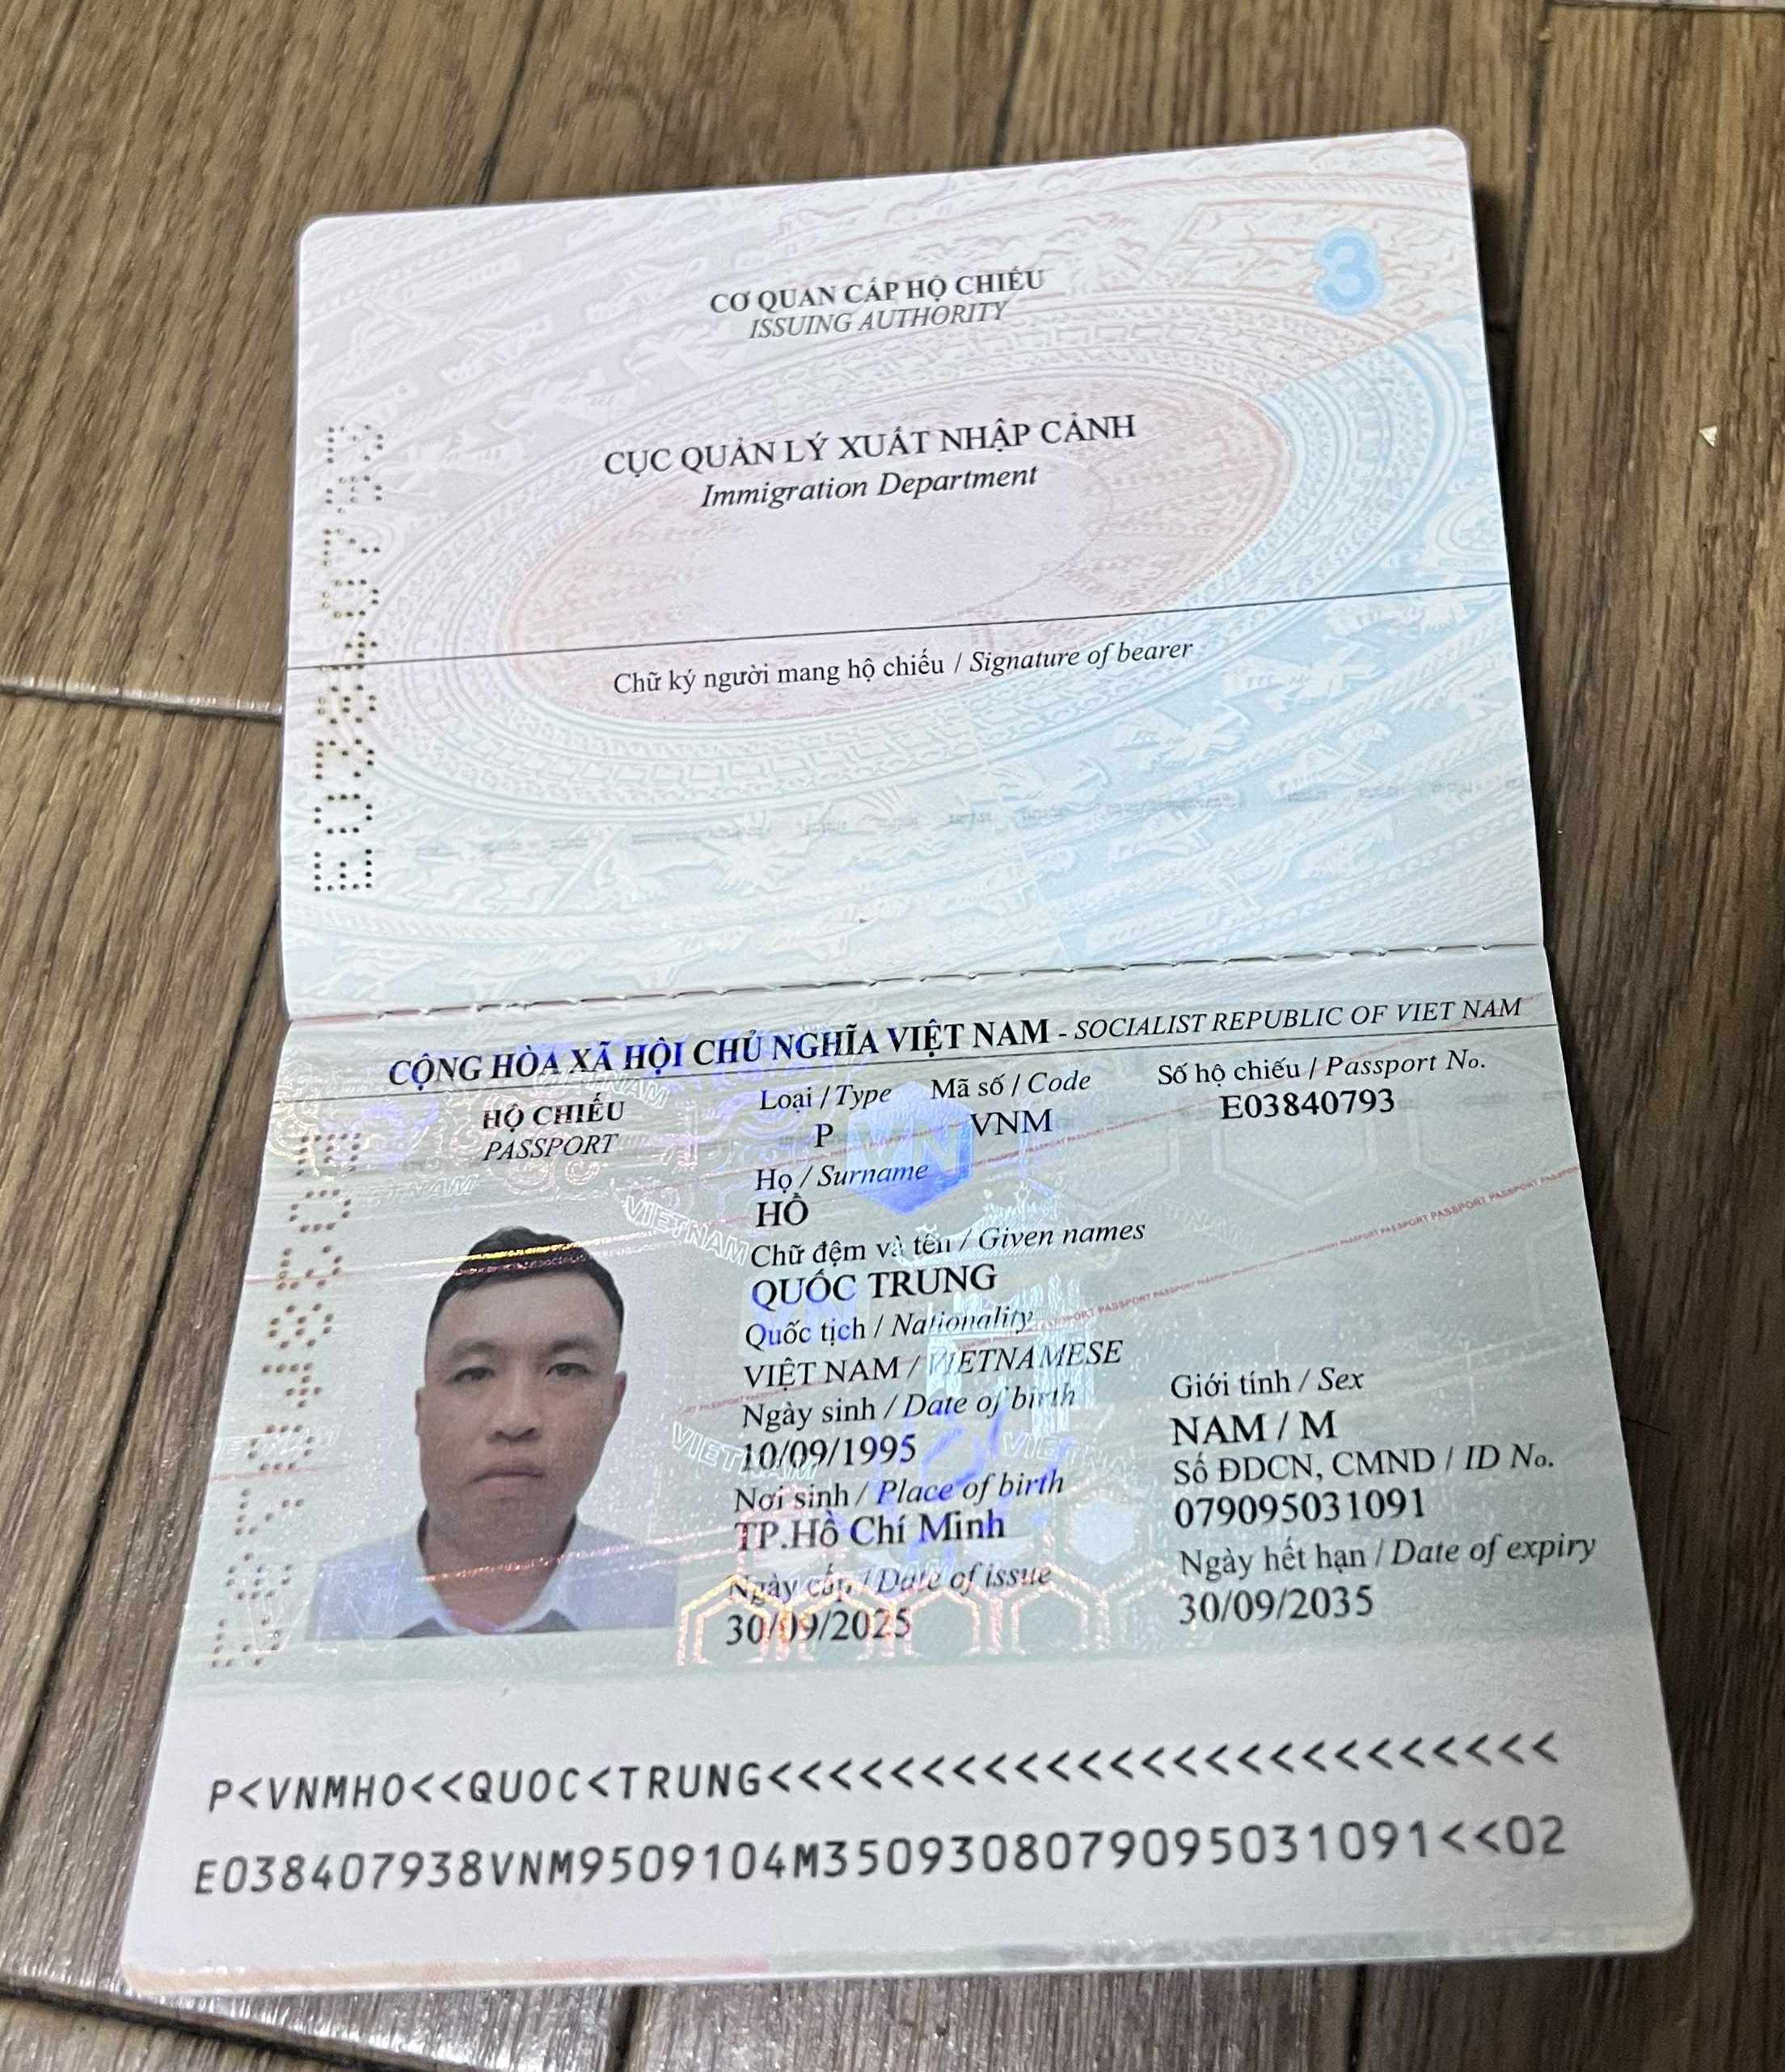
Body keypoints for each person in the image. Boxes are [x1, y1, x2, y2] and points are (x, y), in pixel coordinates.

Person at [308, 1227, 677, 1639]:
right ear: (422, 1410)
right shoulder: (321, 1605)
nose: (516, 1419)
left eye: (565, 1370)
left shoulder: (671, 1600)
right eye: (475, 1373)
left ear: (613, 1402)